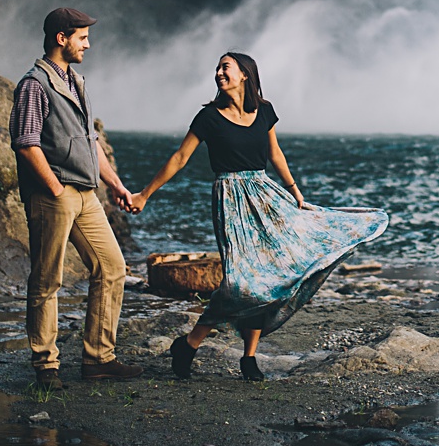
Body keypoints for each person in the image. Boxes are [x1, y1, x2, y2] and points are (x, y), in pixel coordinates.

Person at [131, 51, 387, 381]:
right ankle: (190, 344)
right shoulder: (209, 117)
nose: (219, 73)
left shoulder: (264, 111)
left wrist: (295, 192)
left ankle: (248, 358)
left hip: (266, 196)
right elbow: (180, 158)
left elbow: (275, 154)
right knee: (242, 282)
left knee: (269, 276)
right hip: (231, 200)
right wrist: (144, 194)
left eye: (225, 67)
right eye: (218, 68)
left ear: (244, 76)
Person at [9, 7, 143, 391]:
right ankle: (46, 365)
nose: (88, 44)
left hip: (87, 194)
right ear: (61, 38)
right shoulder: (34, 84)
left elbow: (90, 141)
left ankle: (98, 359)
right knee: (47, 279)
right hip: (55, 193)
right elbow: (26, 143)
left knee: (112, 268)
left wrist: (114, 184)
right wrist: (53, 188)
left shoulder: (75, 81)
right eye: (82, 37)